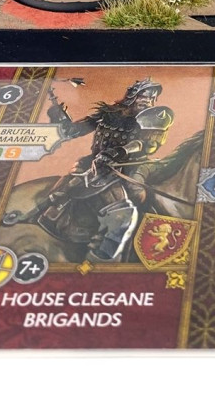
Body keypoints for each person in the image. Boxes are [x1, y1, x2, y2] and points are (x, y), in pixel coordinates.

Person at [36, 78, 174, 262]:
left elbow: (146, 145)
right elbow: (74, 131)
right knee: (65, 188)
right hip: (95, 162)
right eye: (144, 96)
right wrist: (59, 118)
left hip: (129, 167)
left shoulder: (154, 118)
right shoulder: (108, 113)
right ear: (133, 95)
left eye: (152, 98)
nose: (148, 101)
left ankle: (102, 258)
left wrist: (119, 151)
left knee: (130, 206)